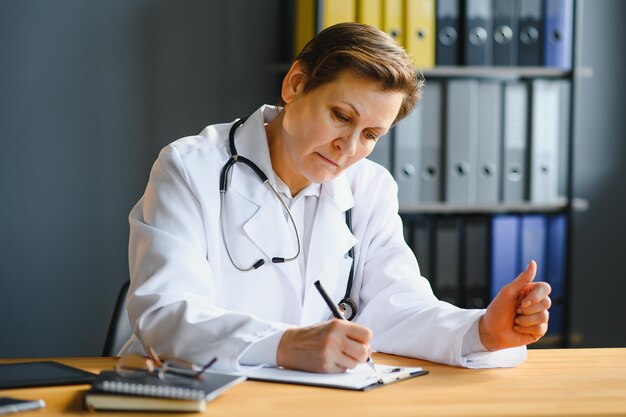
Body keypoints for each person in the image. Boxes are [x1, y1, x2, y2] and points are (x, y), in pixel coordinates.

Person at [120, 22, 551, 373]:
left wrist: (481, 332)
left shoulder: (369, 187)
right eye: (340, 116)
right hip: (189, 392)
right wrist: (284, 344)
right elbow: (165, 315)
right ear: (295, 84)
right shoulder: (189, 167)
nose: (348, 148)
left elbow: (395, 307)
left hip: (309, 398)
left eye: (370, 135)